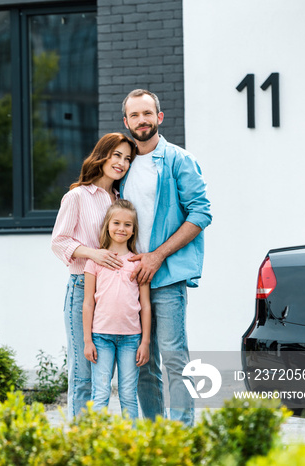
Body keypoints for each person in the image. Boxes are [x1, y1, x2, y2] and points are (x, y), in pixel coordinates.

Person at [119, 89, 212, 425]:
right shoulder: (123, 165)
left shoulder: (178, 160)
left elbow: (201, 214)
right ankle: (159, 436)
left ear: (159, 117)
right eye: (135, 115)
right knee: (141, 362)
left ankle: (183, 436)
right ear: (126, 121)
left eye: (147, 113)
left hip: (167, 276)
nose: (141, 120)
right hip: (131, 281)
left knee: (174, 359)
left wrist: (156, 256)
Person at [51, 132, 137, 418]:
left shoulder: (119, 198)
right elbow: (58, 242)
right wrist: (93, 253)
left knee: (111, 380)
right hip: (82, 289)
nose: (122, 163)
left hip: (116, 293)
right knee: (83, 371)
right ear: (102, 155)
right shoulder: (77, 196)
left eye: (127, 159)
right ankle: (80, 441)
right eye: (116, 155)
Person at [82, 199, 150, 419]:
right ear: (108, 226)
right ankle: (97, 442)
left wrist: (145, 342)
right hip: (101, 337)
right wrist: (87, 341)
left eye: (127, 225)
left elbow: (146, 305)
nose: (121, 228)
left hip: (131, 338)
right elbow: (88, 303)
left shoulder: (138, 263)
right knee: (100, 393)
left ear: (133, 230)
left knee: (128, 394)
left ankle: (130, 445)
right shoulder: (95, 261)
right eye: (117, 223)